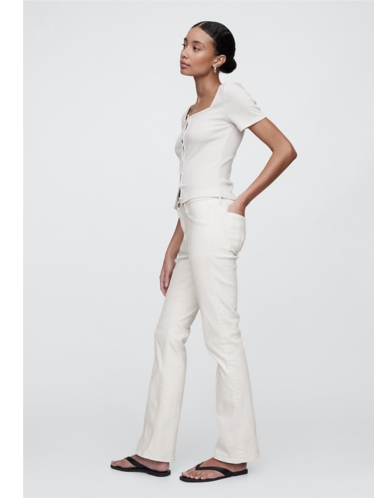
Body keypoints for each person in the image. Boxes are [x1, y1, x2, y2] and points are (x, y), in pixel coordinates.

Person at [111, 20, 297, 483]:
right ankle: (154, 452)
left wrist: (240, 201)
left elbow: (284, 149)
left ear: (218, 59)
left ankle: (234, 453)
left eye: (197, 47)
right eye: (184, 44)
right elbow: (189, 184)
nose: (185, 52)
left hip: (215, 220)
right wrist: (172, 248)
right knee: (168, 334)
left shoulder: (231, 96)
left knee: (222, 337)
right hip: (193, 226)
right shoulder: (192, 110)